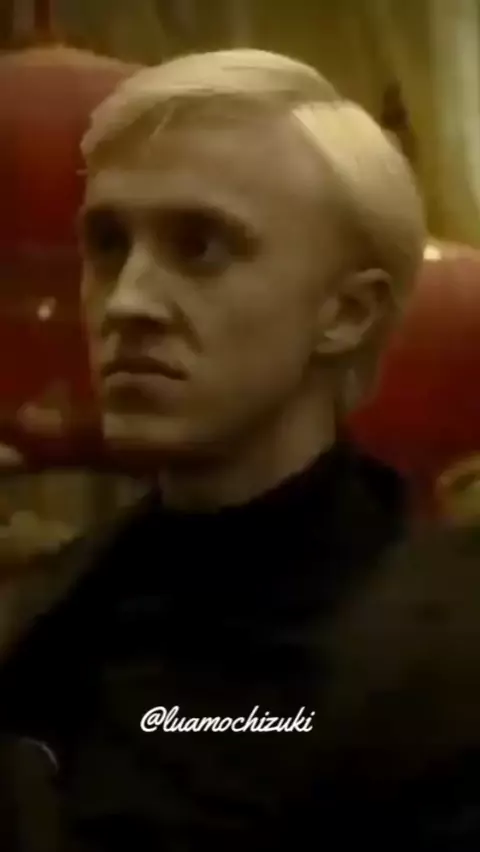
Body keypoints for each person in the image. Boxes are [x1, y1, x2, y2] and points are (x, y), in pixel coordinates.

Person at [0, 49, 424, 850]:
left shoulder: (440, 658)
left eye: (201, 246)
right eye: (108, 244)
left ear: (346, 314)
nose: (127, 303)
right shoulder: (54, 612)